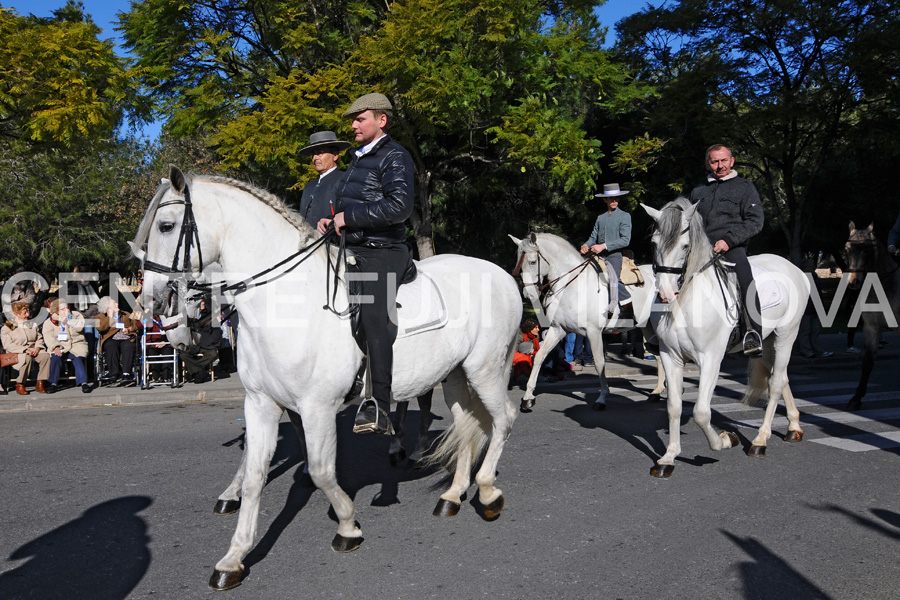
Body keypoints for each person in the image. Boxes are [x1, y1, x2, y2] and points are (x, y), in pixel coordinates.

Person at [317, 92, 415, 435]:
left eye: (360, 119)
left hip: (384, 249)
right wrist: (331, 222)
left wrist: (349, 217)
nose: (354, 125)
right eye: (353, 120)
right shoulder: (358, 159)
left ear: (381, 120)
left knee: (373, 312)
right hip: (352, 246)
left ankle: (379, 406)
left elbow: (399, 207)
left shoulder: (395, 156)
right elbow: (348, 208)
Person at [690, 144, 765, 356]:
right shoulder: (698, 191)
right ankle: (664, 332)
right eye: (715, 161)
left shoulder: (745, 187)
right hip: (700, 249)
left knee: (745, 280)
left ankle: (753, 333)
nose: (720, 165)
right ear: (708, 164)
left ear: (732, 161)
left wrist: (728, 241)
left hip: (731, 247)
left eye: (724, 160)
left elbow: (755, 221)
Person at [580, 183, 633, 319]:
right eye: (611, 199)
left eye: (616, 198)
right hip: (598, 256)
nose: (614, 201)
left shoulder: (624, 216)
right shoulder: (600, 218)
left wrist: (603, 246)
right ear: (605, 200)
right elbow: (593, 237)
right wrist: (586, 245)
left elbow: (625, 240)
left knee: (613, 280)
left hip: (614, 256)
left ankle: (628, 312)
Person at [297, 131, 352, 227]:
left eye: (320, 153)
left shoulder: (344, 180)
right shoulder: (309, 186)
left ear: (335, 155)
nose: (315, 158)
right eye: (313, 154)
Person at [41, 298, 92, 393]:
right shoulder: (49, 322)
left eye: (66, 307)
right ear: (57, 310)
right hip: (60, 345)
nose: (66, 310)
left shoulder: (76, 315)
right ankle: (53, 383)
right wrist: (55, 347)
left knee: (78, 358)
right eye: (62, 309)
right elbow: (48, 337)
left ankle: (84, 383)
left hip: (76, 343)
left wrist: (70, 319)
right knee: (55, 357)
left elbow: (79, 328)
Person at [1, 300, 51, 395]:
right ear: (17, 314)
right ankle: (20, 383)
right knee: (26, 358)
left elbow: (39, 337)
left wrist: (38, 347)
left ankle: (40, 382)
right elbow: (8, 344)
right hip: (17, 351)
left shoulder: (31, 324)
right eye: (25, 313)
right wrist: (24, 350)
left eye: (28, 311)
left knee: (45, 356)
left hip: (33, 349)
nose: (28, 315)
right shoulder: (9, 326)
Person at [96, 296, 138, 385]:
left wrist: (129, 329)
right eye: (114, 303)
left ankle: (126, 373)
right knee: (111, 346)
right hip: (111, 339)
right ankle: (113, 373)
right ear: (107, 307)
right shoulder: (100, 317)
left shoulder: (126, 314)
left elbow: (136, 325)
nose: (117, 304)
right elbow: (100, 328)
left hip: (125, 337)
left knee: (129, 346)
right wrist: (109, 317)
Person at [182, 299, 223, 384]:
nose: (200, 307)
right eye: (199, 305)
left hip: (206, 344)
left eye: (202, 305)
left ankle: (194, 371)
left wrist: (209, 342)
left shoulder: (210, 316)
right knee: (183, 354)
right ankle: (200, 372)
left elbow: (217, 332)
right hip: (194, 344)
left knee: (213, 354)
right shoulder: (192, 316)